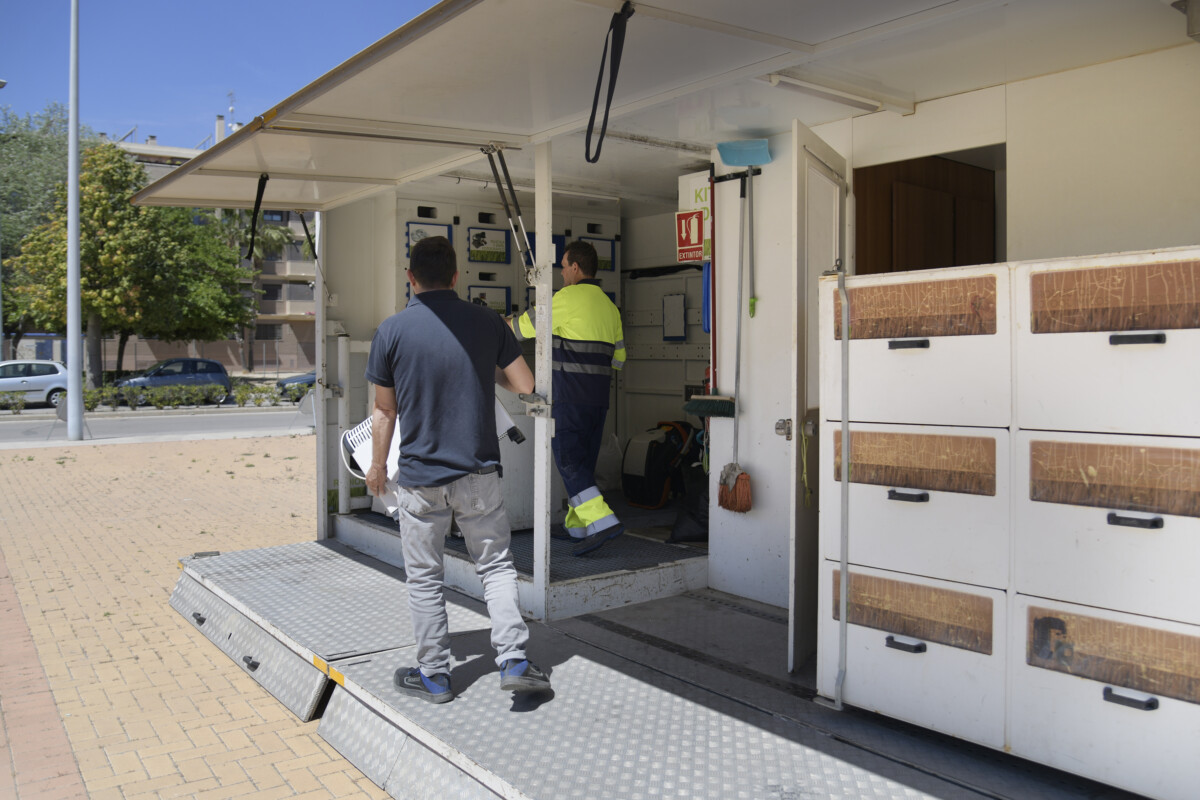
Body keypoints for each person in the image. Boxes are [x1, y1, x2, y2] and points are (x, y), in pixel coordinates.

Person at [364, 236, 550, 704]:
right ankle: (514, 660)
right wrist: (481, 363)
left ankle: (434, 676)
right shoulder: (487, 321)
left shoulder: (390, 331)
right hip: (479, 472)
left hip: (420, 477)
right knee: (496, 566)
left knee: (425, 577)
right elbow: (525, 384)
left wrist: (377, 466)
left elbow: (383, 413)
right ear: (455, 276)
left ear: (410, 278)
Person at [511, 240, 626, 556]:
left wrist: (498, 325)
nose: (561, 272)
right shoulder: (609, 307)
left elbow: (523, 328)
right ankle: (579, 528)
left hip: (570, 397)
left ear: (576, 267)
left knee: (567, 459)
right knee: (583, 463)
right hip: (598, 400)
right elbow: (619, 359)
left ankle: (601, 521)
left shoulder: (565, 299)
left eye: (563, 265)